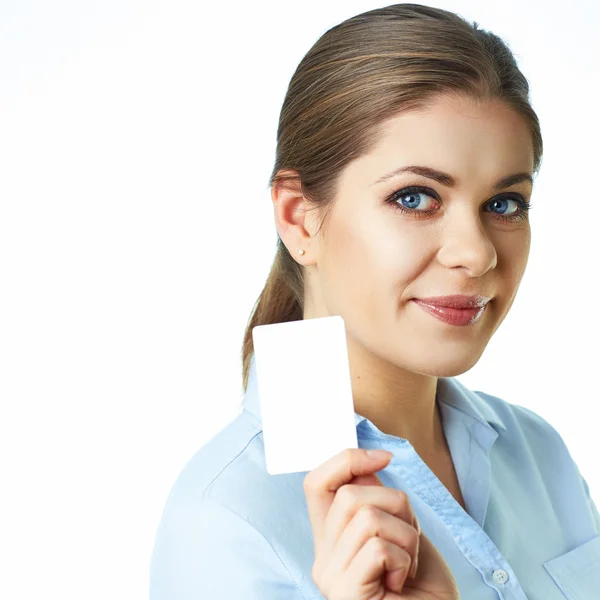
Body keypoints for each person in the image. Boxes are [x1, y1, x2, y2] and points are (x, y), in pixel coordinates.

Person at [149, 4, 600, 599]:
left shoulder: (537, 452)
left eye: (504, 204)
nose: (476, 253)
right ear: (299, 219)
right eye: (415, 198)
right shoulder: (227, 522)